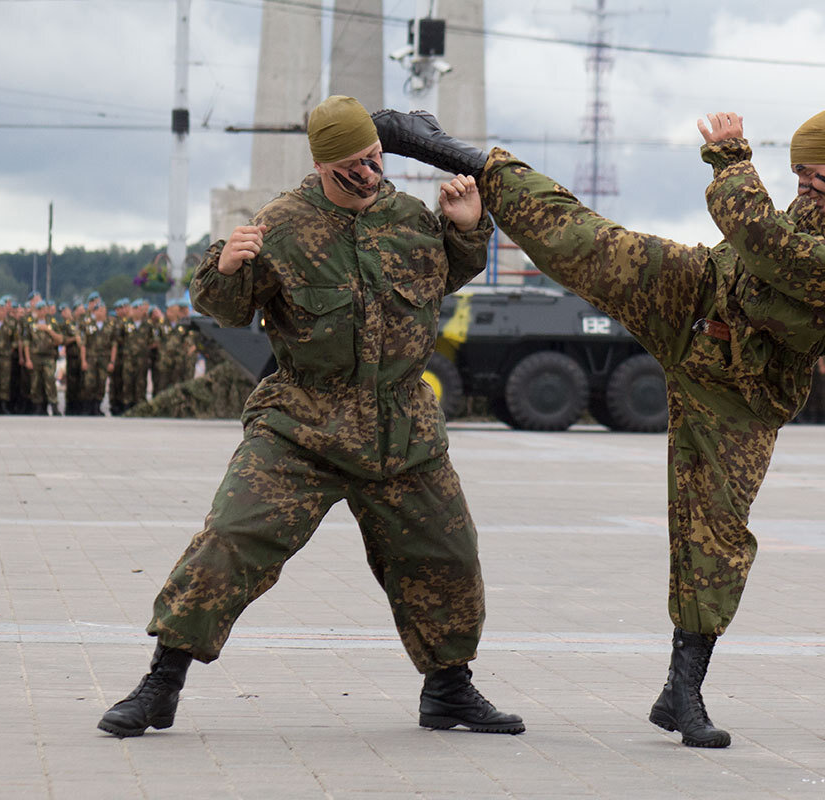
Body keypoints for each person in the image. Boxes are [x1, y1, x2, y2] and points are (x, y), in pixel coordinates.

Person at [373, 106, 825, 747]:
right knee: (581, 238)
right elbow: (750, 247)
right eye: (797, 175)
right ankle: (435, 142)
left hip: (741, 387)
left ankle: (683, 692)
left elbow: (766, 244)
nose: (803, 187)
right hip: (698, 293)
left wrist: (732, 159)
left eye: (813, 175)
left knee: (715, 532)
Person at [97, 95, 522, 740]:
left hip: (402, 427)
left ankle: (449, 690)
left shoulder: (408, 218)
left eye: (376, 157)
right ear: (326, 166)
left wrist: (466, 228)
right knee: (230, 542)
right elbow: (227, 307)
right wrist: (227, 266)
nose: (371, 171)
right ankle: (162, 683)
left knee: (447, 556)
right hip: (303, 425)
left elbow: (447, 276)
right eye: (355, 162)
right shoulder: (281, 226)